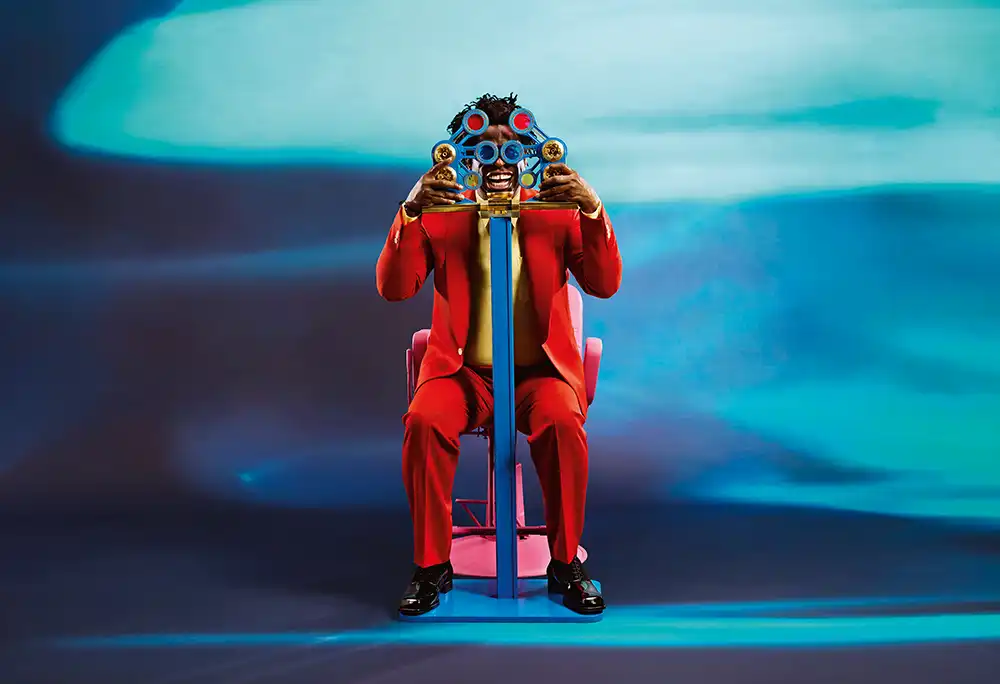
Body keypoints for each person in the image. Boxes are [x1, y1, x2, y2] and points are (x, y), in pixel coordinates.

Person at [376, 93, 622, 616]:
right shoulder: (444, 215)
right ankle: (431, 564)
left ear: (529, 154)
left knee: (562, 426)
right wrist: (411, 209)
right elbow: (395, 288)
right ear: (464, 156)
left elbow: (604, 283)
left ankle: (564, 563)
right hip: (463, 373)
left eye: (511, 149)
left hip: (539, 374)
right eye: (482, 150)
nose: (498, 162)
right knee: (424, 423)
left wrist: (591, 206)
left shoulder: (553, 213)